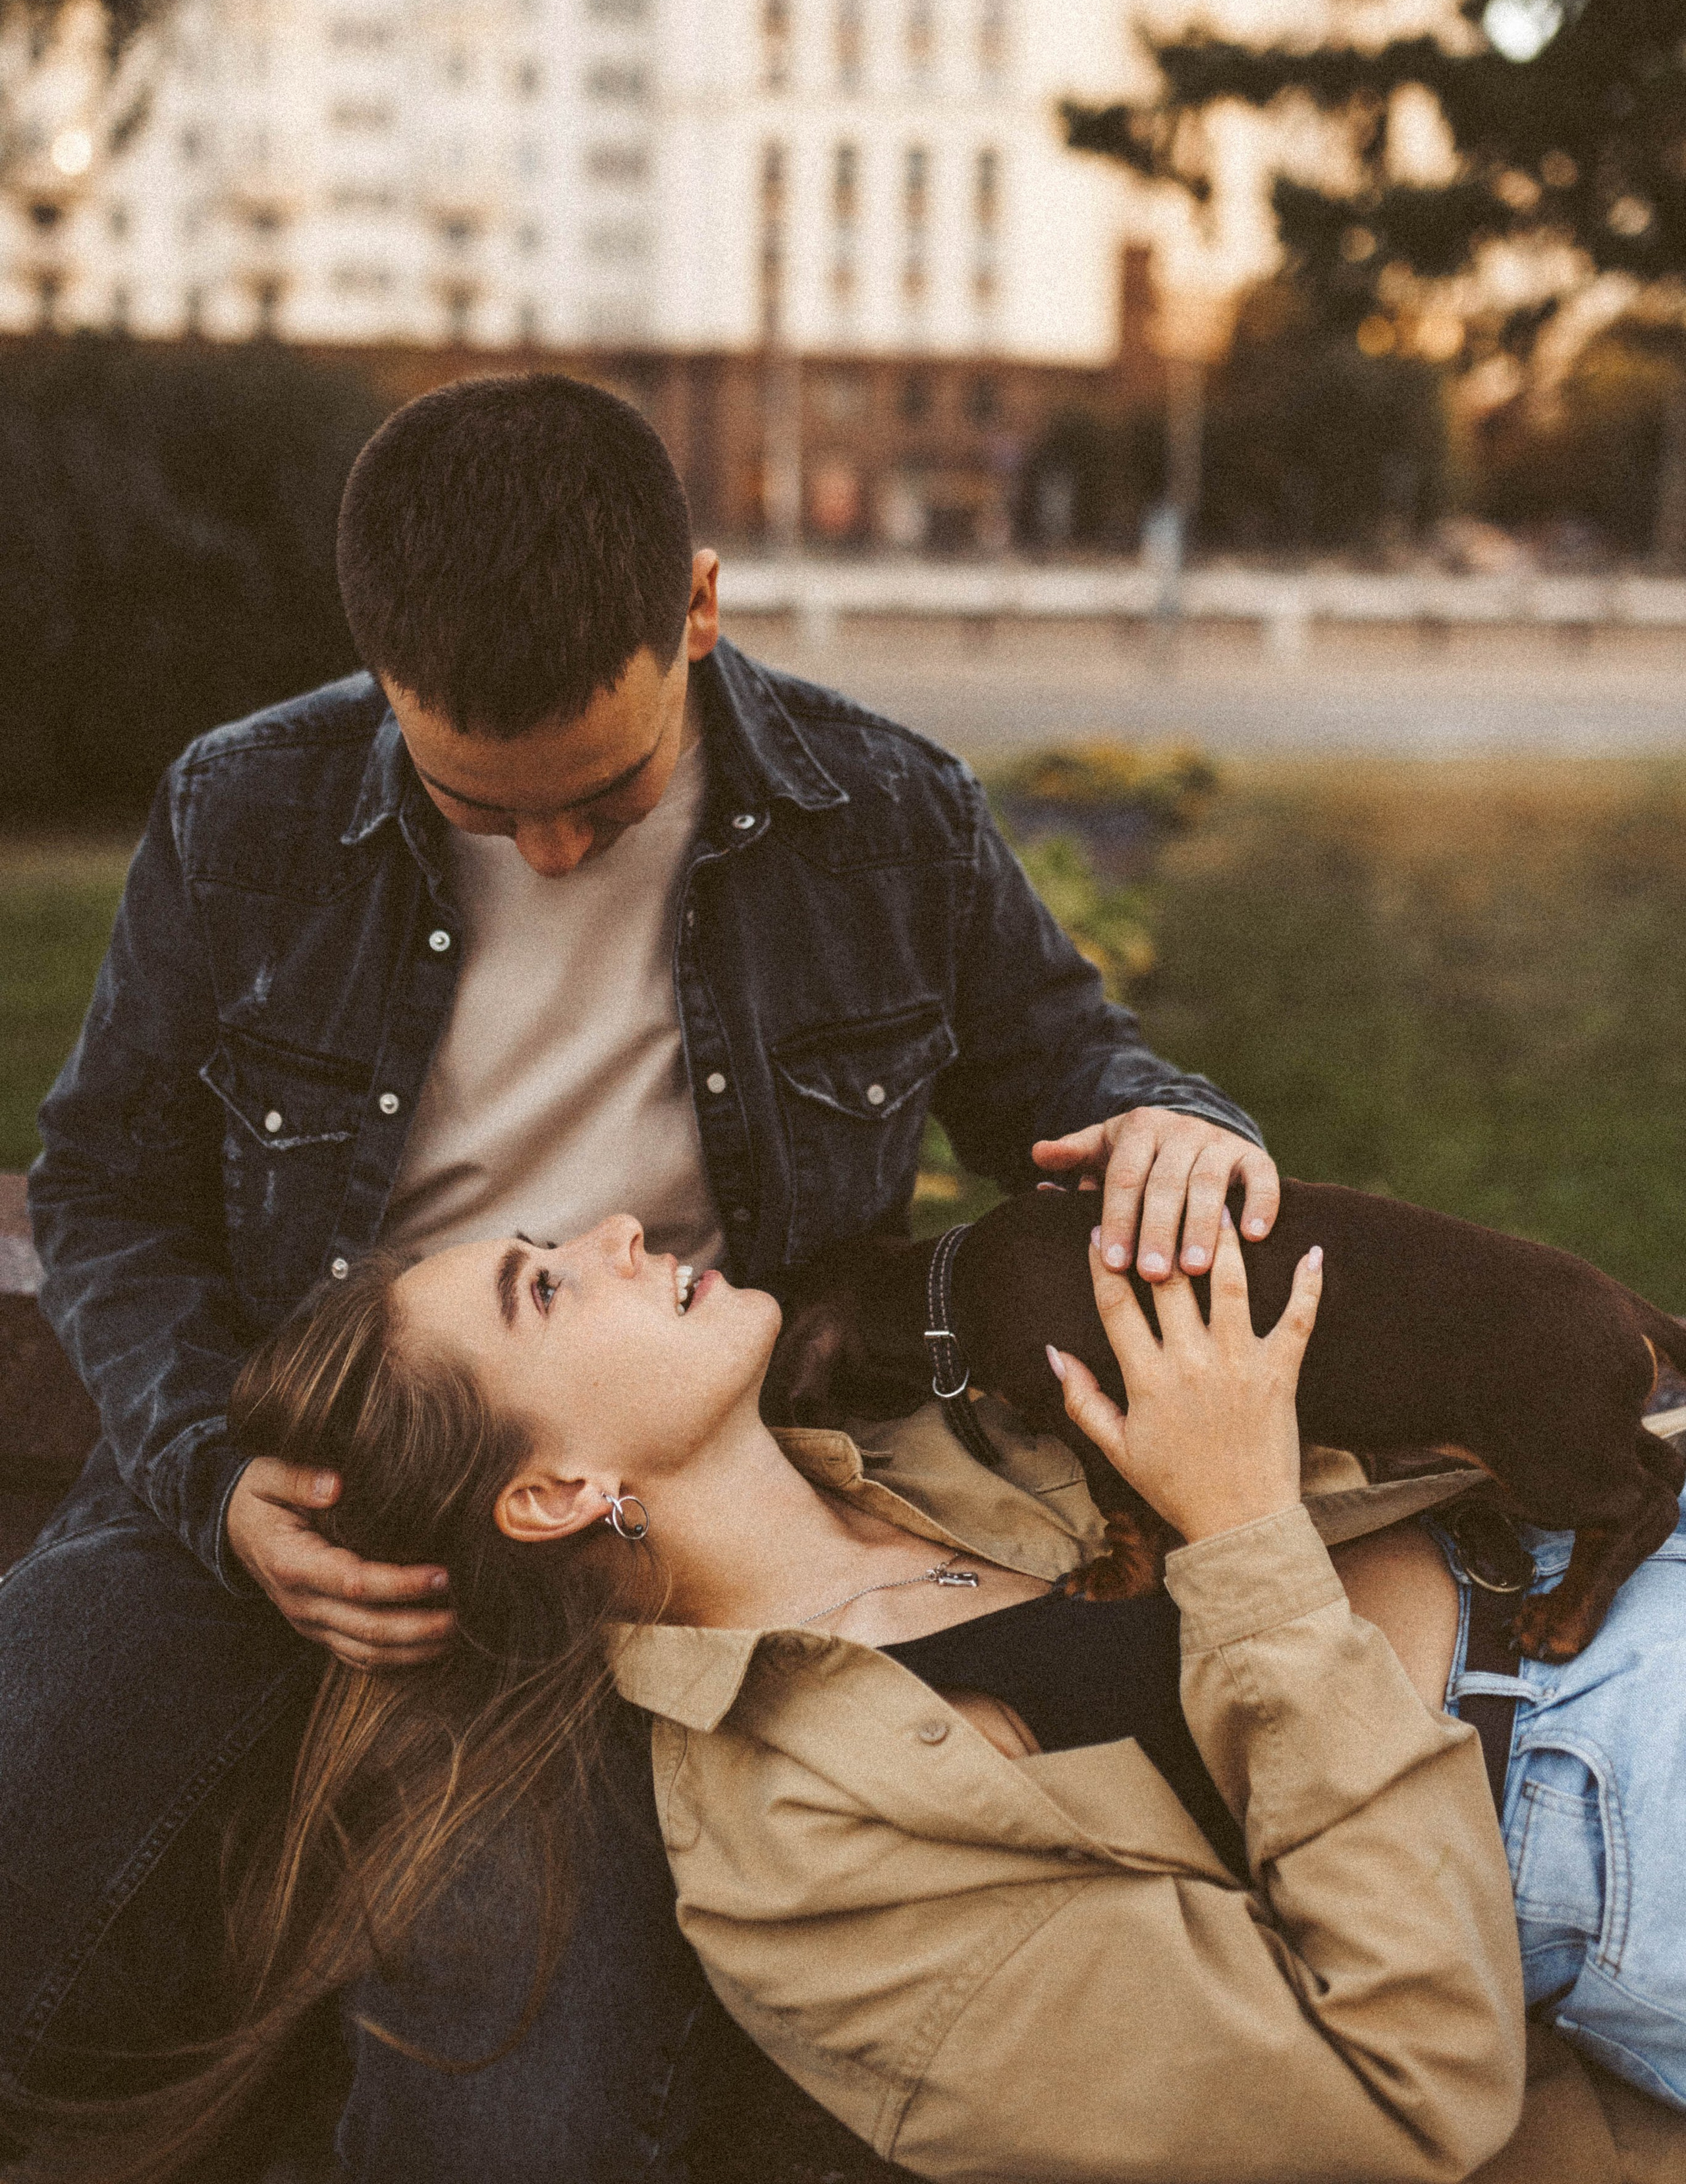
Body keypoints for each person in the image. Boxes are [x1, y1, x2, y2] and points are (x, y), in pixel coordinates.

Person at [1, 372, 1278, 2176]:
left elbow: (1067, 1071)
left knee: (523, 2088)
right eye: (477, 801)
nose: (549, 852)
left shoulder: (886, 815)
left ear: (697, 605)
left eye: (600, 791)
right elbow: (113, 1185)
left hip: (639, 1538)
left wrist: (1169, 1122)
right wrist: (220, 1483)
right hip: (284, 1446)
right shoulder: (248, 807)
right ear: (380, 671)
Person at [39, 1205, 1544, 2183]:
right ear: (561, 1491)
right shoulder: (805, 1860)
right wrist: (1237, 1534)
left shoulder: (932, 1425)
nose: (621, 1229)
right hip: (1577, 1787)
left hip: (1587, 1553)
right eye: (547, 1286)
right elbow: (1402, 2098)